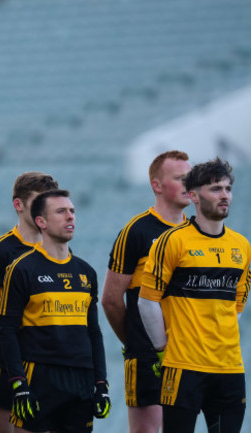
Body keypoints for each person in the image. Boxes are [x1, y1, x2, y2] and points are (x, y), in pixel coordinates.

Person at [138, 158, 250, 433]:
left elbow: (235, 307)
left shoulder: (242, 246)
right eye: (215, 189)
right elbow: (147, 301)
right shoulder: (173, 241)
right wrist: (163, 351)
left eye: (227, 188)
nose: (224, 195)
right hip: (182, 367)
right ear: (194, 196)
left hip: (229, 367)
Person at [0, 189, 110, 433]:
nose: (70, 217)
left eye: (72, 211)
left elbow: (94, 332)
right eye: (61, 211)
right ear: (41, 222)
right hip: (39, 376)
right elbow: (6, 331)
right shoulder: (22, 269)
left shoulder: (86, 272)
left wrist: (101, 383)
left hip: (81, 378)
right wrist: (18, 383)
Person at [101, 150, 190, 433]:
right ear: (157, 185)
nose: (189, 184)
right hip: (148, 357)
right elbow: (111, 299)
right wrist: (140, 342)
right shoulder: (137, 231)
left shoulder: (198, 231)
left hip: (191, 353)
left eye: (191, 177)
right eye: (180, 178)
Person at [0, 172, 59, 433]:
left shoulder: (59, 250)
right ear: (18, 204)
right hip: (8, 367)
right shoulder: (1, 252)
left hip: (49, 367)